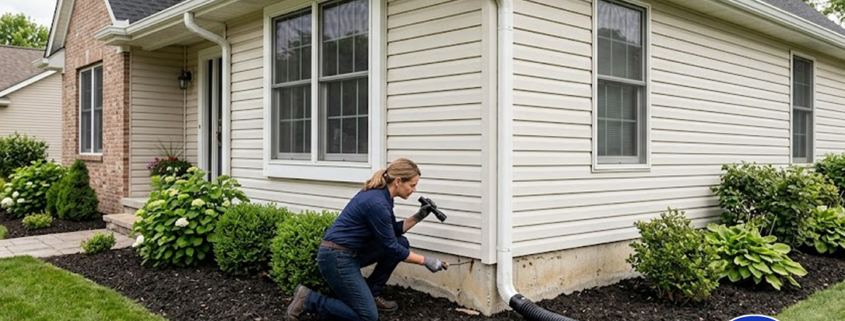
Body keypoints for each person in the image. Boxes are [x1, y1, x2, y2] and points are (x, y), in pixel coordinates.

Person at [285, 157, 449, 321]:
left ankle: (371, 293)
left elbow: (390, 232)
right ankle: (309, 300)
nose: (414, 190)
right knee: (367, 317)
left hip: (352, 252)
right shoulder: (376, 202)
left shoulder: (384, 197)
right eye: (412, 185)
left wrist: (418, 216)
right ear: (398, 181)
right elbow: (390, 245)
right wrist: (426, 261)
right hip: (336, 257)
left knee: (402, 242)